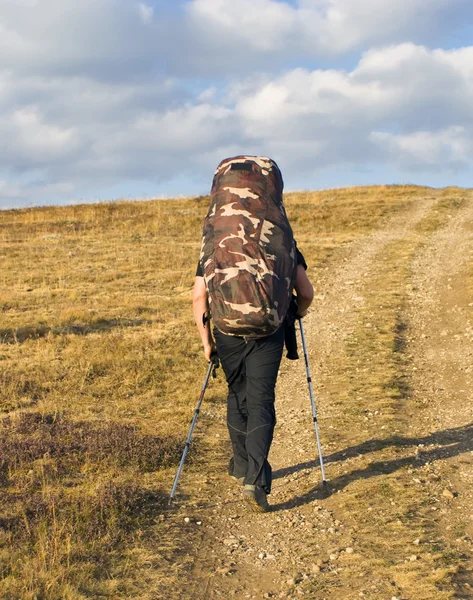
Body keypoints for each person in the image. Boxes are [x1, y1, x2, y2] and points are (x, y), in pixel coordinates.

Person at [192, 160, 314, 512]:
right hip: (269, 329)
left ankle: (241, 463)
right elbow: (305, 291)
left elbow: (198, 296)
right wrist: (297, 313)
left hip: (226, 330)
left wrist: (207, 342)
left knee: (237, 394)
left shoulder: (214, 242)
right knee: (261, 400)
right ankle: (256, 480)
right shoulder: (281, 238)